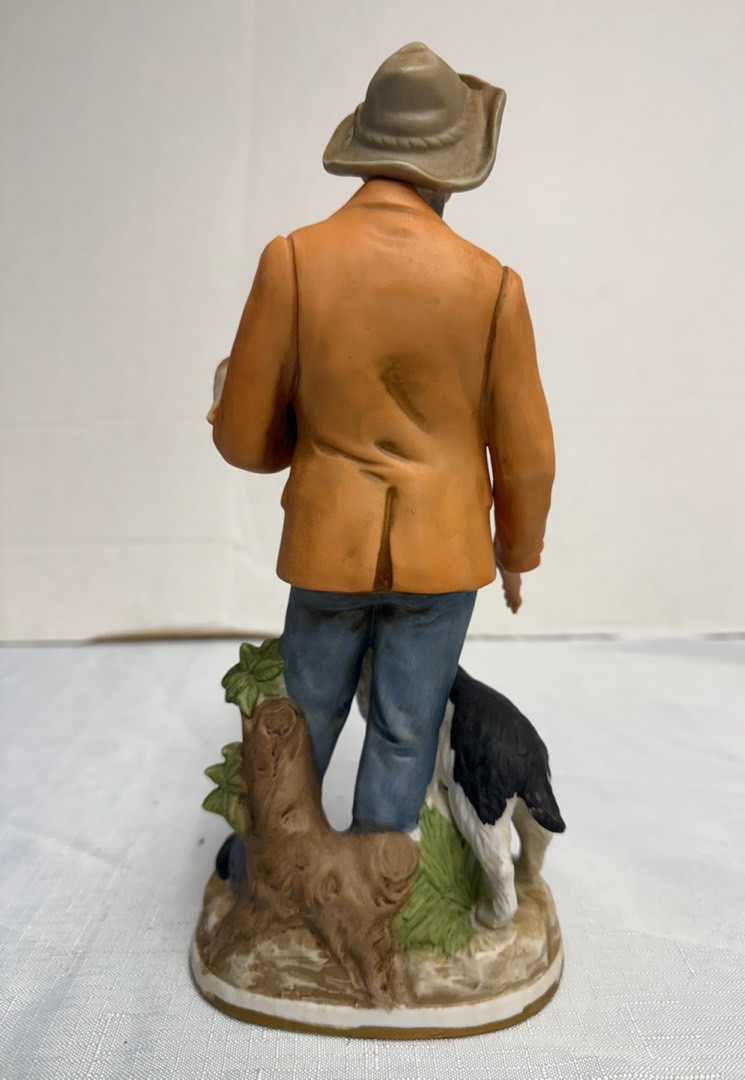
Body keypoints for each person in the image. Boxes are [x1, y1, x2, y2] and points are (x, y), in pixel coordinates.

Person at [210, 42, 555, 834]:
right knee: (405, 728)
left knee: (301, 720)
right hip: (443, 554)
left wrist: (280, 432)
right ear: (449, 172)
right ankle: (381, 874)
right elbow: (528, 457)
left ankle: (272, 868)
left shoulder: (291, 261)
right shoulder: (494, 286)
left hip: (327, 543)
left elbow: (245, 444)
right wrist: (515, 553)